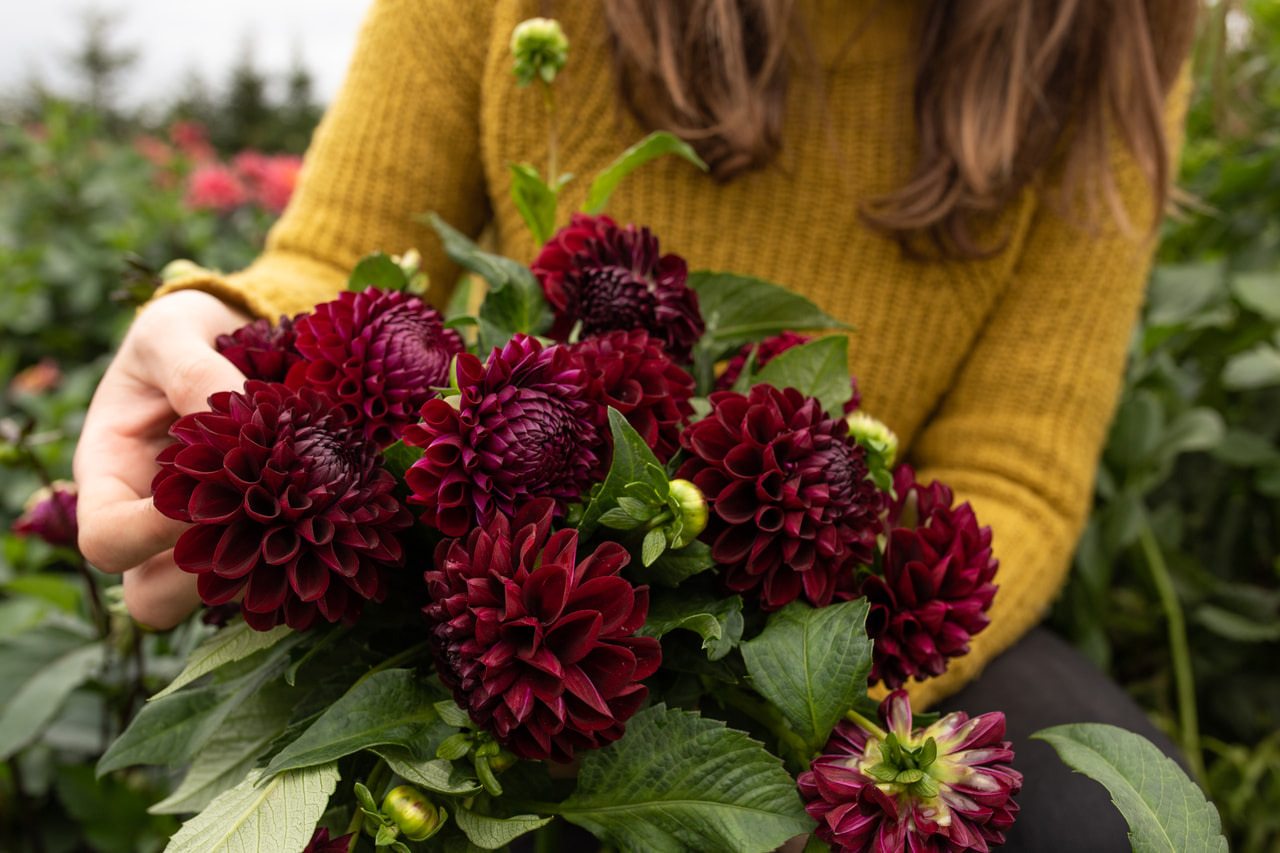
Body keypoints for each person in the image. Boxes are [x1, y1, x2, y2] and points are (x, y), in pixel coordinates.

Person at [74, 0, 1197, 849]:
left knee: (1098, 807)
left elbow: (1015, 471)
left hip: (835, 604)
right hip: (484, 559)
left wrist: (802, 722)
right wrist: (213, 326)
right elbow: (343, 256)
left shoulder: (1104, 32)